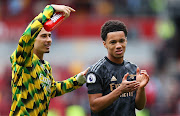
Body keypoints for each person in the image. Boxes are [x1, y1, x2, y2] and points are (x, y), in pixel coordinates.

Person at [9, 4, 89, 116]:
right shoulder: (23, 59)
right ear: (32, 40)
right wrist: (50, 9)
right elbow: (27, 36)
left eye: (49, 36)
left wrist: (76, 81)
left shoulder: (46, 66)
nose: (49, 40)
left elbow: (51, 90)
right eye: (43, 36)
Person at [86, 20, 150, 116]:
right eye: (113, 42)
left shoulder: (133, 68)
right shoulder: (96, 71)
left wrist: (141, 88)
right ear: (105, 44)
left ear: (126, 41)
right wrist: (120, 90)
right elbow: (94, 106)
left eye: (121, 41)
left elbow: (139, 106)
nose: (118, 46)